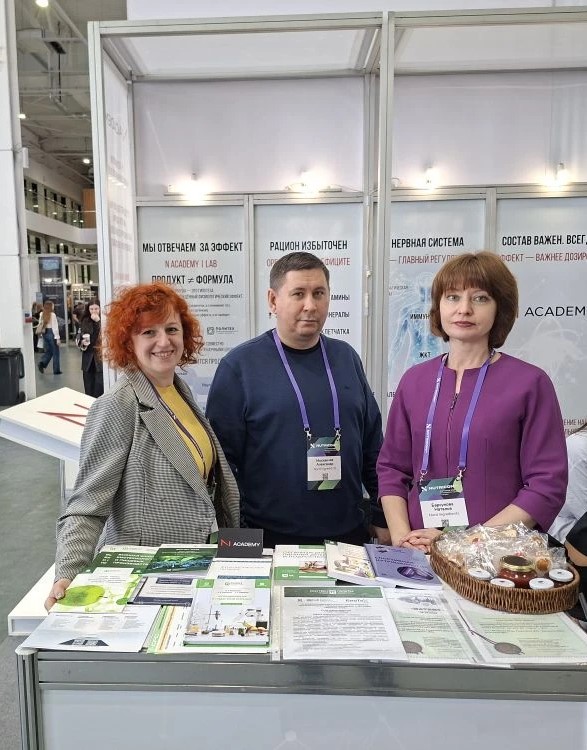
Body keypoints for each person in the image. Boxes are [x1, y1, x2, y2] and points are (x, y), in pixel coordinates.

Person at [45, 282, 240, 609]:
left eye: (172, 329)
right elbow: (87, 505)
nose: (164, 341)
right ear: (128, 341)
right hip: (143, 578)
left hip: (191, 564)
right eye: (149, 332)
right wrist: (69, 572)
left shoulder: (178, 391)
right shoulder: (118, 405)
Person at [377, 251, 567, 552]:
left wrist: (466, 543)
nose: (463, 309)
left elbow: (546, 485)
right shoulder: (414, 381)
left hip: (494, 559)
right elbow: (392, 470)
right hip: (418, 554)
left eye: (480, 298)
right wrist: (402, 539)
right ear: (438, 306)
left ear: (499, 308)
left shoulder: (530, 384)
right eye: (452, 297)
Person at [206, 251, 387, 548]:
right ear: (273, 300)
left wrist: (382, 515)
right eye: (298, 294)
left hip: (349, 535)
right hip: (268, 539)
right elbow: (223, 466)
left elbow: (373, 446)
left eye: (319, 293)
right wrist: (235, 538)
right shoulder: (240, 367)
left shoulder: (346, 358)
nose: (310, 305)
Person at [79, 297, 104, 398]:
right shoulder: (85, 320)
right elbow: (79, 336)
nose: (94, 311)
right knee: (88, 387)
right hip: (88, 357)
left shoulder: (104, 320)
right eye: (91, 309)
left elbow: (105, 335)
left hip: (100, 358)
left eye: (96, 308)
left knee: (99, 388)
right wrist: (82, 342)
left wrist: (98, 321)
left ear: (100, 309)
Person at [37, 300, 62, 374]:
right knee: (55, 352)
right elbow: (55, 327)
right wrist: (57, 338)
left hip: (45, 333)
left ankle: (42, 363)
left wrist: (41, 334)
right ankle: (56, 370)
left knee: (49, 351)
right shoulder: (52, 315)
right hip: (52, 333)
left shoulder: (41, 314)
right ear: (51, 306)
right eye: (53, 305)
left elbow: (40, 324)